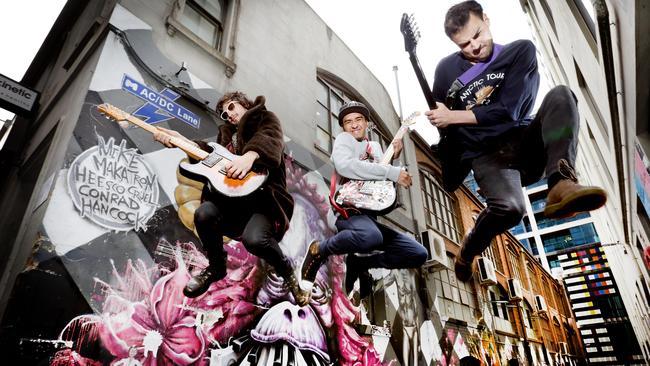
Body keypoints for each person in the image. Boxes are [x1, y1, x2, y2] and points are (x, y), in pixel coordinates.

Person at [425, 0, 607, 282]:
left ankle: (561, 182)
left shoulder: (519, 51)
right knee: (511, 209)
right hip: (485, 156)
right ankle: (469, 248)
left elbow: (509, 110)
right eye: (464, 45)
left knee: (561, 94)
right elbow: (442, 117)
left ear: (486, 19)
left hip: (523, 141)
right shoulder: (446, 70)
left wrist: (454, 116)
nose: (474, 46)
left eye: (476, 35)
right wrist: (440, 122)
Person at [153, 92, 309, 304]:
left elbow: (271, 138)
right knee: (204, 213)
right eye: (225, 114)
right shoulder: (226, 136)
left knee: (255, 240)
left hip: (263, 203)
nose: (229, 115)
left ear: (245, 104)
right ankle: (216, 268)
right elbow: (209, 154)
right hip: (233, 204)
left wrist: (250, 156)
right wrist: (180, 141)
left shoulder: (265, 118)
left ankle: (288, 272)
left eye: (232, 107)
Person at [300, 101, 428, 300]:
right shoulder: (344, 140)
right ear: (342, 127)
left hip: (370, 220)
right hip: (349, 212)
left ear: (367, 123)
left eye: (359, 119)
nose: (354, 125)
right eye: (347, 122)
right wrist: (393, 172)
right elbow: (345, 166)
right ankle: (319, 250)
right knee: (371, 237)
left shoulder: (374, 146)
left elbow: (378, 183)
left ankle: (361, 263)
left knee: (418, 253)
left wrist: (392, 158)